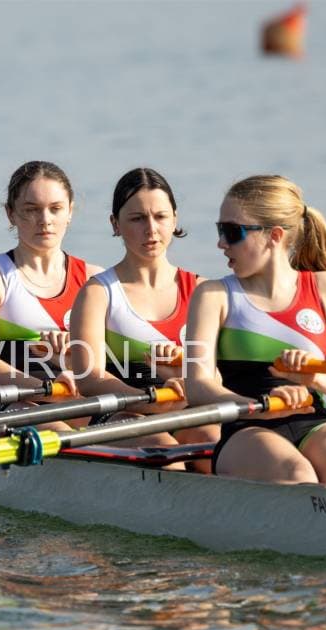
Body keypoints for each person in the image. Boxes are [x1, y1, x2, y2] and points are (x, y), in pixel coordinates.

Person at [183, 175, 326, 493]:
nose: (221, 243)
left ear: (274, 236)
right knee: (297, 472)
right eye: (220, 230)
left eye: (231, 232)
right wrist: (259, 405)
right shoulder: (212, 295)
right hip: (246, 429)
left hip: (314, 421)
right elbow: (197, 386)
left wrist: (315, 380)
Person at [70, 168, 219, 461]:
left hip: (186, 408)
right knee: (163, 450)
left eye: (160, 216)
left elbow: (215, 375)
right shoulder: (97, 293)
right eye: (137, 219)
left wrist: (182, 375)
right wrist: (149, 403)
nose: (151, 229)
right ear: (115, 224)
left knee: (212, 444)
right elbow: (88, 378)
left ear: (174, 219)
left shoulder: (202, 291)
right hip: (121, 413)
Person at [0, 161, 102, 423]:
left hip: (75, 399)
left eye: (55, 209)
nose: (45, 220)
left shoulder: (94, 280)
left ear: (70, 211)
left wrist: (71, 362)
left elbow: (112, 364)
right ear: (11, 214)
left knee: (158, 440)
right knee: (56, 427)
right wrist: (47, 389)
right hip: (9, 403)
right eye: (31, 210)